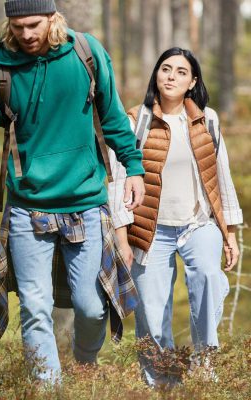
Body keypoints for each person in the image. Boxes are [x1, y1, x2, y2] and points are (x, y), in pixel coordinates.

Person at [0, 0, 145, 384]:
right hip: (27, 209)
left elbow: (114, 118)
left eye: (33, 24)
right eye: (17, 26)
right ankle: (47, 389)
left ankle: (85, 367)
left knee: (91, 307)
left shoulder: (87, 54)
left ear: (53, 17)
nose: (26, 34)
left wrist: (133, 167)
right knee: (35, 308)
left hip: (85, 202)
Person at [109, 47, 243, 387]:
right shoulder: (133, 121)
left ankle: (204, 367)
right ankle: (164, 384)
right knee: (152, 312)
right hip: (150, 230)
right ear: (156, 75)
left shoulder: (206, 120)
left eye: (181, 72)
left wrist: (228, 233)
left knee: (209, 280)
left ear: (192, 81)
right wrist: (122, 239)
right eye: (165, 69)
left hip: (199, 224)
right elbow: (117, 182)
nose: (171, 76)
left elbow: (220, 176)